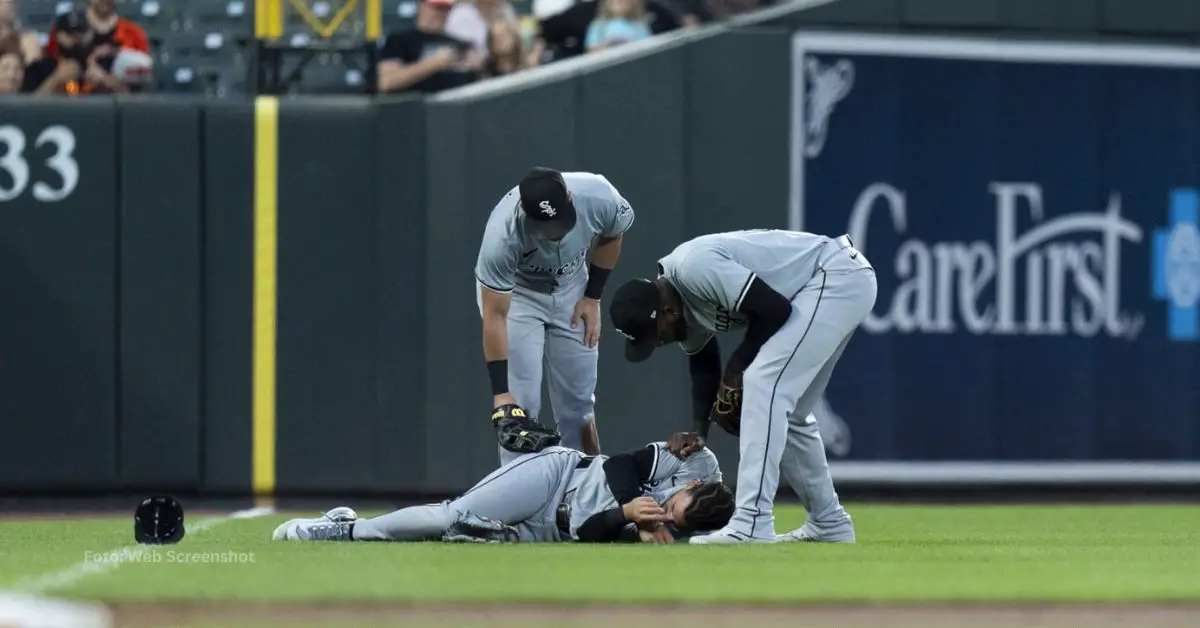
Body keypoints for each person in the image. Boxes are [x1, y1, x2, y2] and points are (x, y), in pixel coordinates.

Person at [608, 229, 876, 545]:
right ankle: (828, 522)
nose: (660, 343)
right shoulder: (678, 305)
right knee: (790, 411)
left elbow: (774, 310)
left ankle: (752, 521)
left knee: (763, 382)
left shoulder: (695, 268)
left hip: (833, 276)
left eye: (656, 335)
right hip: (827, 285)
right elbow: (704, 362)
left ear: (667, 311)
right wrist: (699, 433)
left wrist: (735, 372)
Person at [271, 432, 735, 544]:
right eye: (675, 504)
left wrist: (625, 518)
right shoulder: (696, 460)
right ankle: (344, 531)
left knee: (452, 538)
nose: (667, 514)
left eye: (676, 521)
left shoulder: (674, 531)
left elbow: (592, 535)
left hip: (552, 533)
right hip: (556, 478)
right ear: (691, 484)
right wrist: (632, 502)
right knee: (447, 517)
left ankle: (348, 523)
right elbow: (620, 464)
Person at [477, 168, 635, 465]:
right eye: (547, 226)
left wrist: (592, 297)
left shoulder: (599, 195)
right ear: (526, 214)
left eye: (561, 220)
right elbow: (495, 315)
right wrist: (501, 394)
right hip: (519, 298)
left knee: (579, 408)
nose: (557, 231)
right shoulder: (503, 234)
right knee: (518, 411)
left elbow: (614, 233)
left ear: (570, 198)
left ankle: (586, 493)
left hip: (573, 288)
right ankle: (520, 502)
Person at [376, 0, 484, 94]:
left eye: (445, 8)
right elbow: (386, 81)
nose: (441, 13)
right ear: (421, 5)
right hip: (416, 109)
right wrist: (434, 64)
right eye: (436, 7)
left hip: (457, 109)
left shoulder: (460, 44)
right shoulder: (399, 40)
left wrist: (477, 67)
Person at [585, 0, 652, 53]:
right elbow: (591, 50)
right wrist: (608, 45)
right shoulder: (598, 26)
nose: (623, 4)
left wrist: (629, 46)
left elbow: (648, 49)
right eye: (619, 2)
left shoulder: (639, 26)